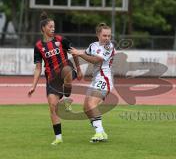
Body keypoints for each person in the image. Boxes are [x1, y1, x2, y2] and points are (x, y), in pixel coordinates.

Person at [28, 11, 82, 145]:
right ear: (43, 28)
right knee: (52, 107)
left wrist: (79, 70)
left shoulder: (61, 40)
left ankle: (66, 95)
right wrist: (33, 85)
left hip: (66, 71)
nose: (53, 29)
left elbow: (74, 53)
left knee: (66, 70)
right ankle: (58, 138)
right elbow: (38, 68)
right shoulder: (38, 46)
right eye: (50, 27)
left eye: (54, 26)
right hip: (52, 79)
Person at [69, 23, 115, 142]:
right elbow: (78, 54)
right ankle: (101, 132)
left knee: (91, 104)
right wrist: (78, 68)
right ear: (98, 35)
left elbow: (96, 60)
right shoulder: (93, 46)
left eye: (109, 36)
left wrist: (80, 54)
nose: (107, 38)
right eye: (105, 35)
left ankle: (99, 133)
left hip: (104, 79)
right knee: (86, 108)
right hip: (96, 80)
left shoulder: (109, 47)